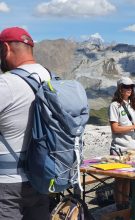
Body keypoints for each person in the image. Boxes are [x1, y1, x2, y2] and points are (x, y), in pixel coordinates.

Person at [0, 27, 51, 219]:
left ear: (5, 48)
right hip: (42, 176)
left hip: (8, 185)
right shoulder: (50, 77)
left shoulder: (6, 84)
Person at [108, 76, 135, 210]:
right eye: (126, 87)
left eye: (131, 87)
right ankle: (120, 206)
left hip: (132, 149)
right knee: (119, 179)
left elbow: (133, 124)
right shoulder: (114, 106)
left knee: (128, 178)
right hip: (119, 149)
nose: (129, 89)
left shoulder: (132, 105)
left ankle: (126, 203)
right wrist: (134, 126)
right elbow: (115, 128)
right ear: (120, 88)